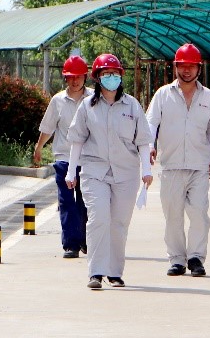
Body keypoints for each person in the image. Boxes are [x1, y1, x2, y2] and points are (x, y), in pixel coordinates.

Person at [64, 53, 154, 290]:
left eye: (114, 74)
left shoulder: (132, 105)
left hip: (126, 173)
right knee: (98, 218)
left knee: (119, 223)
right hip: (95, 171)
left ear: (121, 77)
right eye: (105, 74)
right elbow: (77, 140)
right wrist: (71, 171)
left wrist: (146, 170)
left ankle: (115, 272)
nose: (110, 78)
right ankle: (96, 272)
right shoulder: (87, 107)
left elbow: (143, 141)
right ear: (97, 78)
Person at [146, 43, 210, 277]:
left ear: (199, 68)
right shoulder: (163, 95)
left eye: (191, 66)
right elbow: (151, 123)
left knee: (199, 212)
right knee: (173, 214)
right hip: (171, 165)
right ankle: (177, 259)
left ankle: (196, 258)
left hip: (199, 165)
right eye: (182, 66)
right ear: (175, 67)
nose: (186, 70)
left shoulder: (208, 97)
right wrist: (150, 146)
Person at [33, 55, 92, 258]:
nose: (75, 81)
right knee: (66, 202)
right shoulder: (58, 101)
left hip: (87, 159)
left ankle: (85, 239)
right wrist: (39, 147)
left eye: (78, 76)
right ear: (65, 78)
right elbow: (48, 127)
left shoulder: (94, 99)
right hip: (64, 159)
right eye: (71, 77)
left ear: (85, 77)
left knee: (85, 202)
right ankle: (71, 244)